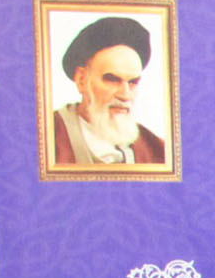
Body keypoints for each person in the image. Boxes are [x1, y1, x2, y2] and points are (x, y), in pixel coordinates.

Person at [51, 14, 166, 167]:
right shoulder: (47, 137)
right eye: (112, 79)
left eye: (132, 82)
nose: (125, 95)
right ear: (82, 80)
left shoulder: (157, 150)